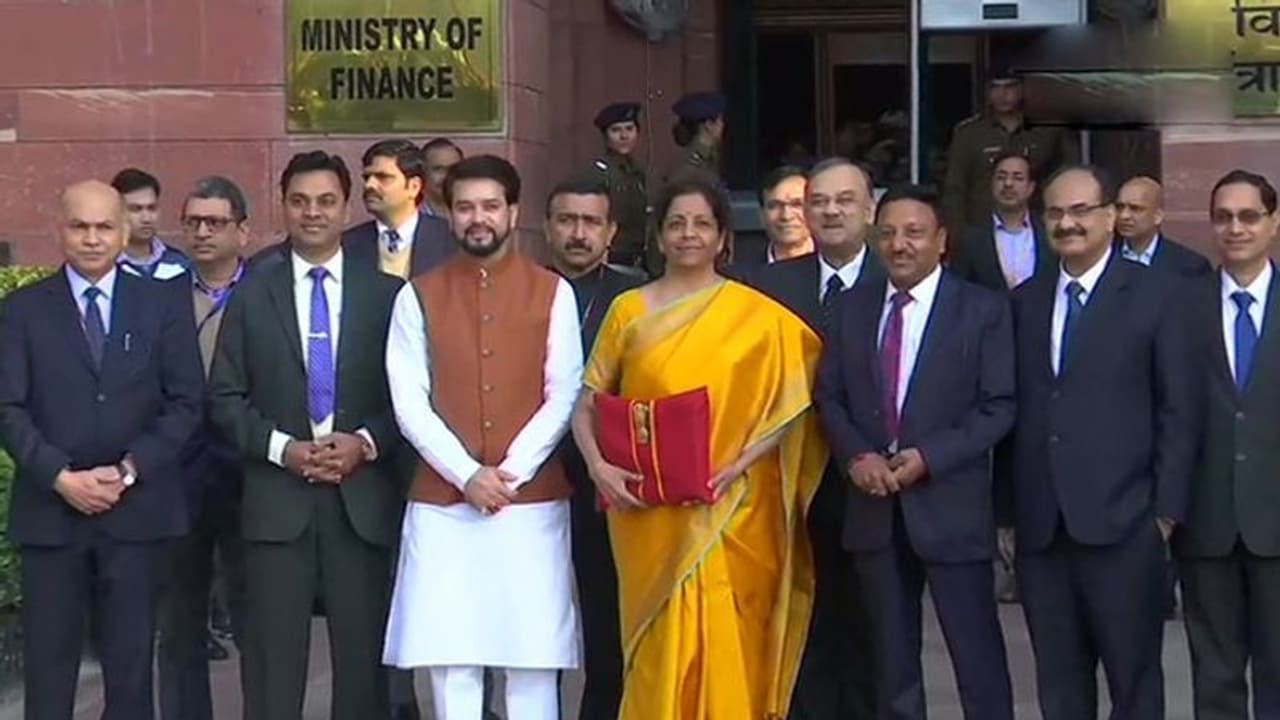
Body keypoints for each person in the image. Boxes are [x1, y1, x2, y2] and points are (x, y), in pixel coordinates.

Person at [570, 176, 829, 719]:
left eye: (702, 224)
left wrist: (738, 465)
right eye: (677, 224)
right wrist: (599, 469)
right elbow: (587, 402)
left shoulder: (758, 316)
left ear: (722, 238)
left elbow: (791, 402)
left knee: (731, 637)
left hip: (732, 507)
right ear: (659, 237)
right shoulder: (628, 310)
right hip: (646, 512)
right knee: (654, 644)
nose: (689, 234)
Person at [382, 155, 583, 720]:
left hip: (530, 502)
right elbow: (409, 401)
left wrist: (508, 475)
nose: (478, 218)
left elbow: (564, 392)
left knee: (532, 660)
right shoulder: (417, 295)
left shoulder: (554, 292)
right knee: (453, 663)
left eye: (491, 206)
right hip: (445, 503)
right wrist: (468, 475)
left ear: (513, 213)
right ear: (449, 215)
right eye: (466, 207)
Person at [208, 151, 405, 720]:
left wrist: (364, 443)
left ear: (346, 207)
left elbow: (409, 399)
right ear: (283, 206)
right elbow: (224, 397)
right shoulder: (252, 293)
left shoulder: (386, 295)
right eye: (299, 201)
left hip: (360, 503)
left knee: (363, 668)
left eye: (325, 201)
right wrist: (283, 450)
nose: (312, 212)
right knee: (273, 667)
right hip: (276, 504)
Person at [0, 180, 204, 720]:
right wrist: (60, 476)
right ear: (60, 229)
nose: (92, 239)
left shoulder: (162, 305)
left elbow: (186, 403)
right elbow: (8, 407)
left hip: (137, 514)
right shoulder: (22, 310)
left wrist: (129, 470)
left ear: (124, 230)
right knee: (48, 673)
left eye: (104, 227)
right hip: (51, 517)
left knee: (131, 672)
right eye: (80, 226)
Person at [815, 184, 1015, 720]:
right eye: (887, 233)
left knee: (978, 662)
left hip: (951, 506)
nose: (899, 245)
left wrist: (930, 456)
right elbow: (829, 396)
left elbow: (998, 406)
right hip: (875, 511)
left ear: (941, 240)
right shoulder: (852, 307)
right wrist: (857, 456)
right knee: (891, 667)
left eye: (914, 233)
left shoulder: (982, 309)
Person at [1007, 165, 1196, 720]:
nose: (1066, 223)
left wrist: (1164, 514)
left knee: (1134, 685)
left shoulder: (1159, 295)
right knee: (1060, 689)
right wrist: (1007, 513)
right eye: (1055, 212)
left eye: (1080, 211)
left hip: (1126, 527)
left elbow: (1179, 409)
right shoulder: (1025, 301)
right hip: (1044, 532)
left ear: (1112, 217)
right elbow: (1017, 411)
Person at [743, 156, 882, 720]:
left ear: (870, 209)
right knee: (805, 628)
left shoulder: (896, 278)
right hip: (790, 484)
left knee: (875, 631)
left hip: (876, 482)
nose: (830, 211)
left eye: (844, 200)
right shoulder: (767, 286)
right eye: (818, 201)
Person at [1177, 168, 1280, 720]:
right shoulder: (1182, 305)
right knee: (1215, 679)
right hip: (1207, 521)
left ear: (1273, 222)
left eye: (1248, 217)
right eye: (1223, 218)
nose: (1235, 228)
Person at [543, 174, 645, 719]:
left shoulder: (635, 297)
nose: (578, 233)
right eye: (567, 220)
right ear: (547, 227)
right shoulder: (524, 290)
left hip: (606, 482)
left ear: (611, 232)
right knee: (533, 624)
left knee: (607, 623)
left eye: (591, 222)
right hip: (529, 482)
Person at [159, 176, 252, 720]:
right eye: (192, 221)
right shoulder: (160, 298)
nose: (201, 232)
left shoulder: (267, 292)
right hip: (178, 473)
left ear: (242, 231)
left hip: (250, 472)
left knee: (256, 617)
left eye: (214, 222)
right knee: (180, 619)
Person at [942, 70, 1079, 239]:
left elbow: (1069, 180)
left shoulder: (1048, 129)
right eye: (995, 87)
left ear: (1022, 88)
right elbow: (954, 190)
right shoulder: (969, 134)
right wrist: (958, 237)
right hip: (982, 231)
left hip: (1039, 230)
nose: (1002, 94)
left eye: (1009, 87)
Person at [343, 139, 455, 281]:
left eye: (383, 177)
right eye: (367, 177)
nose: (369, 185)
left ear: (414, 186)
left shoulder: (450, 239)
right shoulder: (347, 244)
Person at [950, 151, 1055, 292]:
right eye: (1001, 177)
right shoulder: (971, 239)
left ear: (1031, 187)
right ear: (992, 184)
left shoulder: (1049, 232)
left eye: (1018, 178)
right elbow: (958, 289)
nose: (1008, 184)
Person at [590, 102, 650, 270]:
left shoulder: (638, 172)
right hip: (612, 257)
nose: (624, 136)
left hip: (640, 259)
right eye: (616, 130)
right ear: (606, 136)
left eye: (629, 129)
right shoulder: (599, 173)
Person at [1115, 175, 1211, 277]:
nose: (1124, 216)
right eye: (1119, 207)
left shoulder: (1190, 266)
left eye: (1135, 208)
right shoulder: (1105, 256)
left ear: (1158, 216)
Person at [111, 167, 192, 280]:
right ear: (116, 211)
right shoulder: (105, 265)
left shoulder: (179, 263)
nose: (146, 218)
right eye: (136, 209)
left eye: (151, 208)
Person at [735, 165, 813, 268]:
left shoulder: (832, 263)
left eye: (797, 204)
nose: (786, 216)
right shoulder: (742, 271)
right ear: (761, 215)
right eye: (775, 205)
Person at [421, 137, 464, 218]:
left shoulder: (474, 213)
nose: (446, 176)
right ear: (423, 172)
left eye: (453, 168)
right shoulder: (409, 216)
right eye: (439, 169)